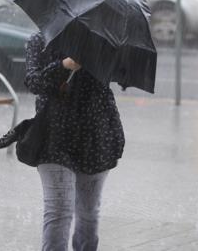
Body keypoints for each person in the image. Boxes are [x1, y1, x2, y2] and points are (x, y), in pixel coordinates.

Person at [24, 32, 125, 250]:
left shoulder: (103, 40)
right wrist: (64, 65)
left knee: (88, 213)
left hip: (95, 136)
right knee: (59, 210)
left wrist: (101, 54)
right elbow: (33, 82)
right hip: (54, 136)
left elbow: (121, 75)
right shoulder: (40, 40)